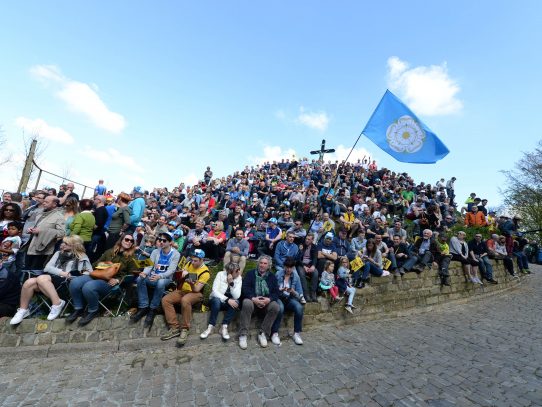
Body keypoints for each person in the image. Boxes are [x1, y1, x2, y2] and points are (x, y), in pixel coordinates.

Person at [10, 235, 92, 324]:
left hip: (67, 283)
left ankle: (57, 304)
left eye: (66, 243)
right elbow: (47, 268)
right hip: (50, 281)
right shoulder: (58, 253)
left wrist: (71, 274)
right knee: (29, 282)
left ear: (74, 245)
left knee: (41, 278)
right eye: (63, 242)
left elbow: (88, 272)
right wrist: (62, 273)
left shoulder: (81, 256)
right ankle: (23, 310)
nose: (62, 244)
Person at [66, 233, 138, 326]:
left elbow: (132, 274)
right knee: (75, 282)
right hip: (98, 274)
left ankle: (93, 310)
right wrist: (105, 264)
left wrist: (118, 280)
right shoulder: (109, 252)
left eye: (131, 241)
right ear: (121, 240)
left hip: (111, 281)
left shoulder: (131, 257)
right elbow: (94, 264)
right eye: (126, 239)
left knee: (88, 287)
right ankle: (78, 308)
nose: (129, 242)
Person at [160, 249, 211, 347]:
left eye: (195, 261)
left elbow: (196, 289)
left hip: (196, 293)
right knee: (166, 299)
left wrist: (191, 284)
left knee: (185, 300)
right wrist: (181, 274)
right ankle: (174, 327)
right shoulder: (189, 264)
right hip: (183, 291)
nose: (192, 262)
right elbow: (180, 276)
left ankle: (185, 329)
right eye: (192, 260)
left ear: (201, 260)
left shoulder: (205, 272)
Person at [132, 232, 180, 328]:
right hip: (152, 276)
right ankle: (143, 306)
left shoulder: (176, 254)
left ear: (170, 242)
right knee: (139, 279)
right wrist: (145, 273)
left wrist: (160, 276)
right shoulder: (155, 251)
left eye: (164, 240)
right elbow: (149, 265)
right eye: (160, 240)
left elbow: (171, 270)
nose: (161, 242)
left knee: (161, 283)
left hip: (165, 278)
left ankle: (153, 309)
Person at [238, 255, 280, 350]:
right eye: (261, 263)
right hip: (253, 300)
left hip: (266, 301)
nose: (262, 265)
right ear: (258, 264)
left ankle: (263, 333)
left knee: (275, 306)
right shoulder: (250, 274)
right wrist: (253, 298)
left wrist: (268, 299)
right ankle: (243, 334)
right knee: (246, 303)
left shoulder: (272, 277)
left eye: (265, 263)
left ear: (268, 265)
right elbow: (245, 288)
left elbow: (276, 292)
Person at [200, 262, 242, 341]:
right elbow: (214, 291)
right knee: (216, 301)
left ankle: (224, 326)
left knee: (236, 302)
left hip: (227, 303)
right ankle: (210, 326)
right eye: (237, 270)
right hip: (216, 300)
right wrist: (227, 299)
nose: (239, 272)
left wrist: (232, 284)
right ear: (230, 272)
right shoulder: (220, 274)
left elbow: (237, 296)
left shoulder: (239, 278)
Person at [26, 196, 65, 270]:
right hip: (30, 245)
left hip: (42, 249)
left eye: (47, 202)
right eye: (44, 201)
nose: (44, 203)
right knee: (25, 269)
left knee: (34, 271)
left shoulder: (59, 217)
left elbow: (62, 233)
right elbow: (36, 226)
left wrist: (41, 231)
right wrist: (31, 229)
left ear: (54, 204)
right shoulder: (40, 213)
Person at [272, 257, 304, 345]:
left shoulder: (296, 276)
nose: (289, 269)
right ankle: (274, 333)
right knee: (280, 308)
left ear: (293, 267)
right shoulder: (278, 274)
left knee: (299, 307)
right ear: (284, 266)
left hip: (289, 298)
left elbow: (300, 295)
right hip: (279, 297)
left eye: (291, 267)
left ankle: (296, 333)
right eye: (287, 267)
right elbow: (272, 290)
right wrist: (280, 290)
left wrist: (293, 291)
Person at [296, 233, 319, 302]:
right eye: (306, 239)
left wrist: (313, 266)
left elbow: (315, 258)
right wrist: (300, 251)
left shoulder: (314, 247)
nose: (307, 240)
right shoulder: (301, 246)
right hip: (301, 264)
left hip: (310, 264)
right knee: (301, 274)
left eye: (309, 239)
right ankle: (306, 294)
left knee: (315, 273)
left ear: (312, 240)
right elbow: (298, 259)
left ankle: (313, 293)